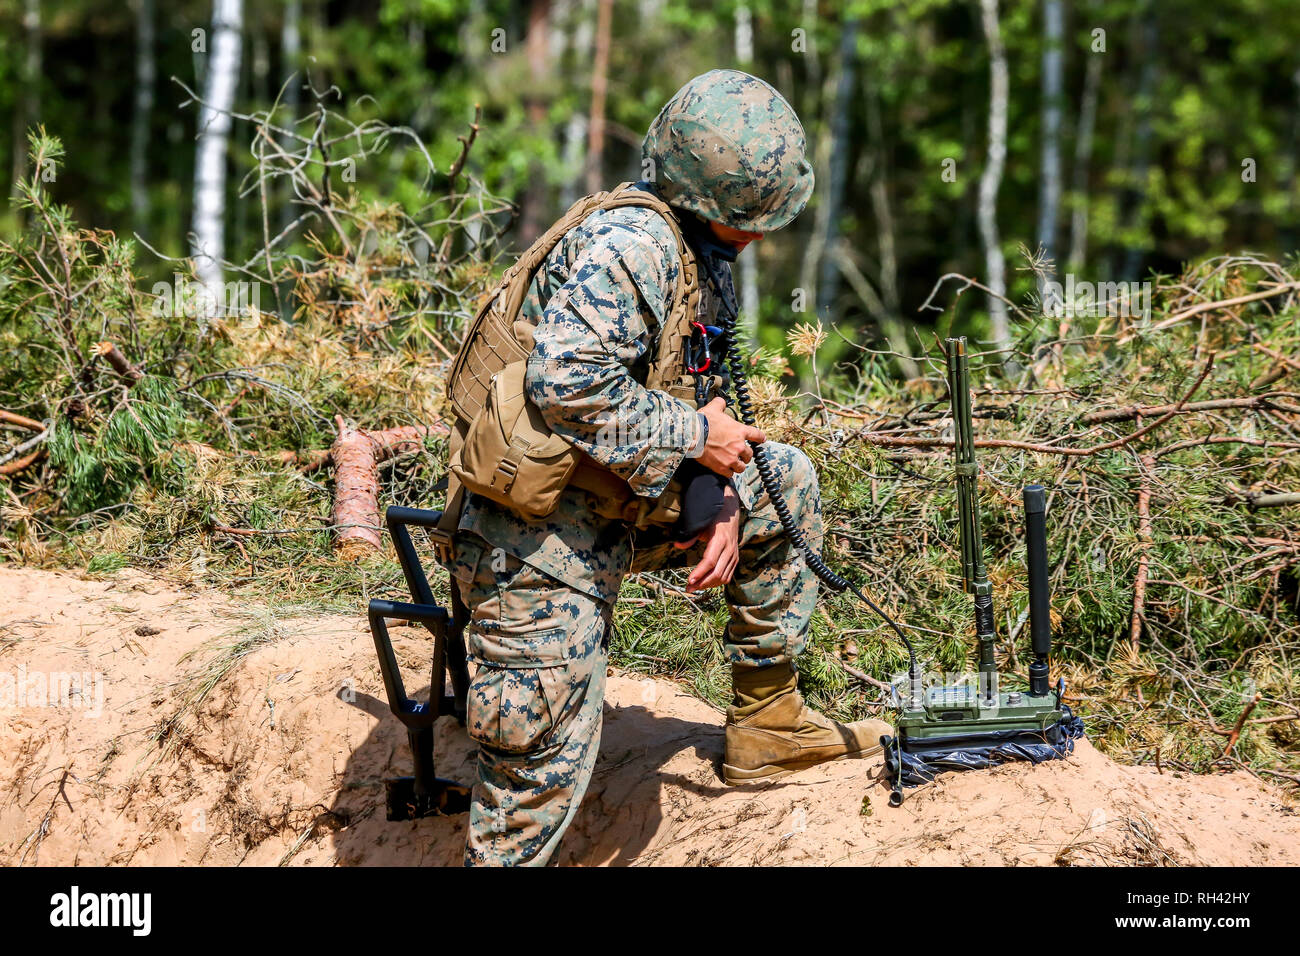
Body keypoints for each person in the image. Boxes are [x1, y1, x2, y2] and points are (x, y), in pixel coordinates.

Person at [448, 69, 892, 866]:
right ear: (719, 202)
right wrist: (694, 438)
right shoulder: (636, 245)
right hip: (533, 531)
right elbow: (568, 382)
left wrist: (711, 489)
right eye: (753, 217)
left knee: (780, 477)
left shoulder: (694, 248)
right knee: (538, 756)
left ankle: (768, 720)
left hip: (612, 500)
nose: (761, 237)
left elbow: (686, 394)